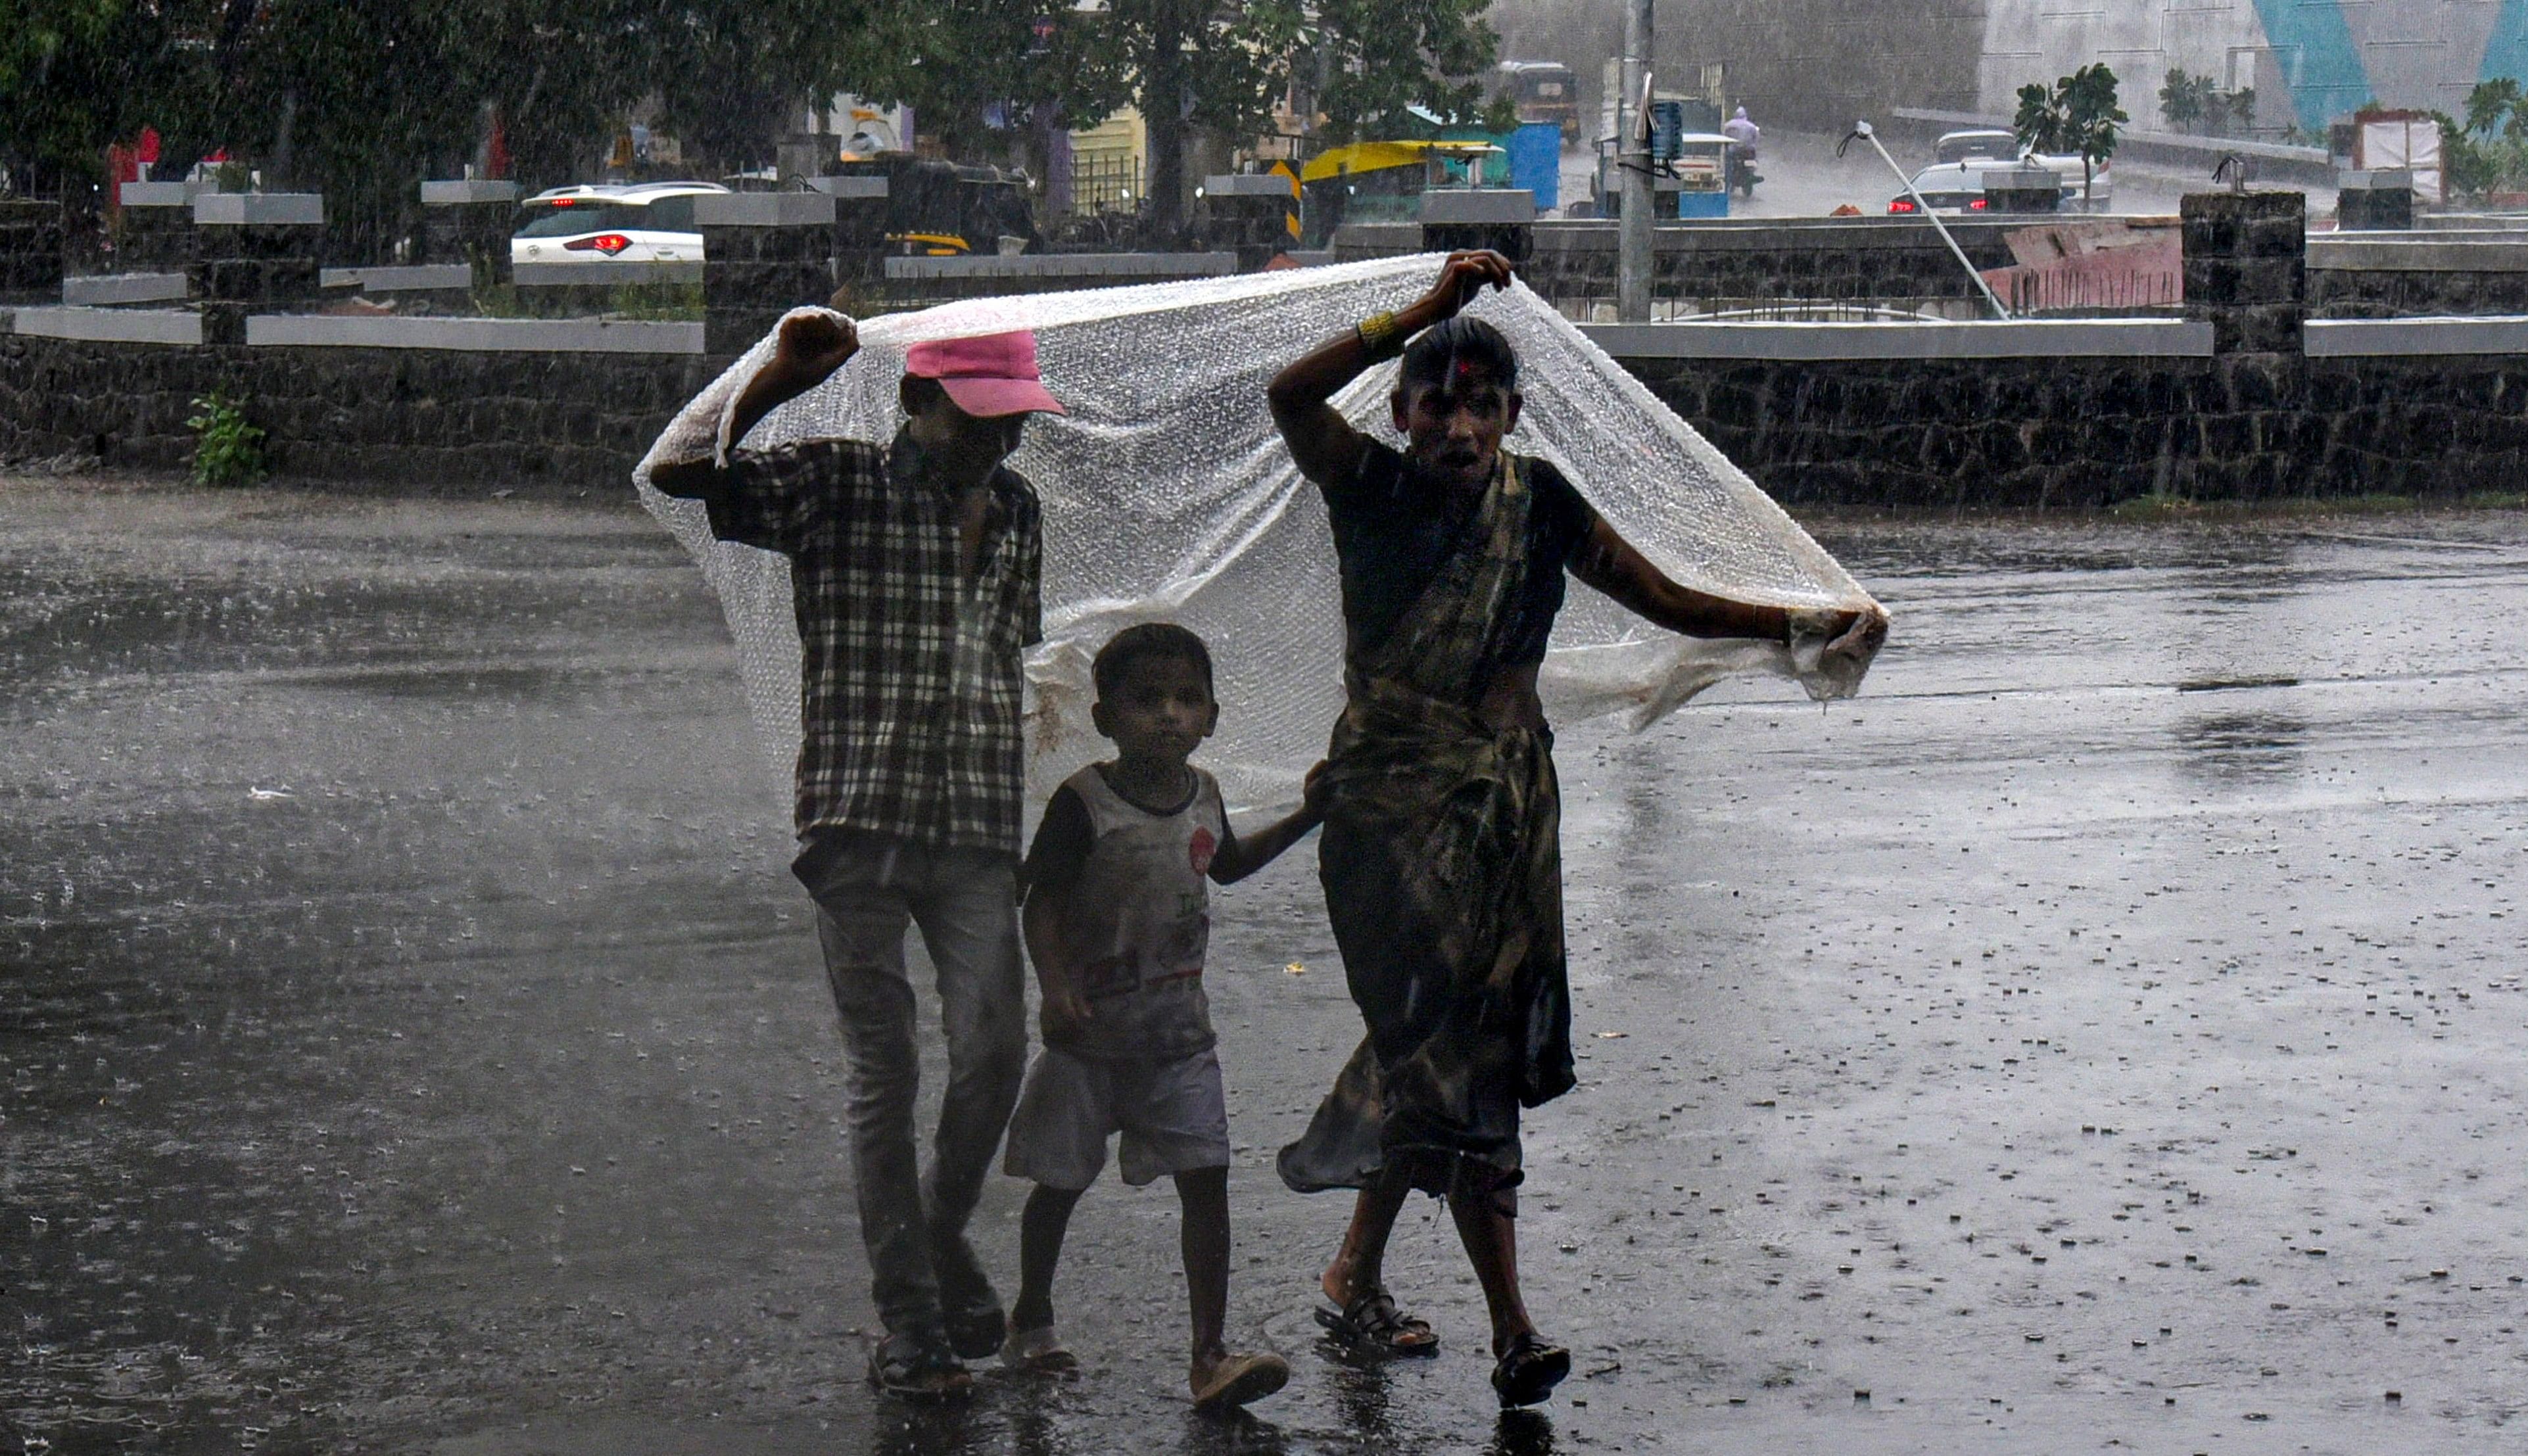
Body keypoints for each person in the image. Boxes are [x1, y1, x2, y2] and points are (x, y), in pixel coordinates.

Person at [1264, 252, 1884, 1408]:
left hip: (1504, 816)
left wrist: (1800, 621)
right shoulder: (1369, 489)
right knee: (1451, 1070)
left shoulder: (1536, 503)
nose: (1455, 424)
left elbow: (1665, 598)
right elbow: (1289, 398)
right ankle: (1512, 1329)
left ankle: (1354, 1272)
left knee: (1449, 1059)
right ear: (1398, 414)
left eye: (1479, 405)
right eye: (1434, 401)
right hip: (1391, 822)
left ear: (1510, 417)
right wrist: (1418, 312)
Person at [647, 316, 1064, 1400]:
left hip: (973, 824)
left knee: (992, 1054)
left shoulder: (1017, 512)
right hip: (858, 819)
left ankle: (933, 1234)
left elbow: (1008, 655)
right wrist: (774, 375)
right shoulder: (834, 482)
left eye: (1009, 423)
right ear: (917, 404)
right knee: (888, 1072)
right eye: (978, 420)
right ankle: (911, 1322)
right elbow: (683, 471)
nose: (995, 444)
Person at [1000, 623, 1323, 1411]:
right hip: (1088, 1039)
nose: (1169, 715)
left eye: (1186, 699)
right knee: (1059, 1183)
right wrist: (1054, 985)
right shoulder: (1084, 803)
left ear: (1212, 715)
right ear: (1104, 716)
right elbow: (1040, 902)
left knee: (1206, 1183)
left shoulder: (1204, 792)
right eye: (1146, 701)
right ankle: (1031, 1312)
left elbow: (1232, 865)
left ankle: (1208, 1352)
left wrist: (1312, 814)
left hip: (1178, 1039)